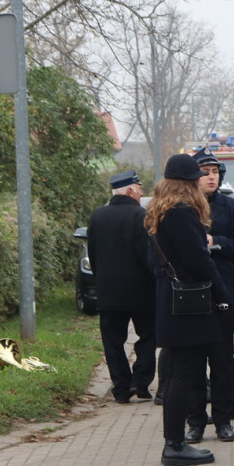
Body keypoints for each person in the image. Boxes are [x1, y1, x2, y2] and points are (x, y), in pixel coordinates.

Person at [145, 154, 232, 466]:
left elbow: (153, 263)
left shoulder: (160, 210)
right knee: (184, 374)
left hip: (172, 299)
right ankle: (175, 444)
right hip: (188, 304)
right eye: (196, 176)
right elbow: (199, 259)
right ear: (185, 182)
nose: (201, 180)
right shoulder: (181, 211)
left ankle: (175, 442)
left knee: (179, 373)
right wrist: (223, 294)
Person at [181, 148, 234, 446]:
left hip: (222, 288)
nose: (211, 177)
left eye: (214, 172)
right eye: (205, 172)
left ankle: (224, 419)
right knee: (194, 359)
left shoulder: (229, 206)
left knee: (223, 357)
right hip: (191, 291)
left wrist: (217, 242)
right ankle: (196, 422)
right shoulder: (183, 207)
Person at [86, 170, 156, 404]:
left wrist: (102, 280)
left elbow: (93, 255)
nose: (141, 192)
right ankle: (141, 381)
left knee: (113, 341)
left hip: (109, 293)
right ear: (129, 190)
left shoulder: (97, 217)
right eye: (139, 188)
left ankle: (122, 388)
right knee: (148, 335)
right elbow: (147, 255)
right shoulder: (141, 216)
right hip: (140, 291)